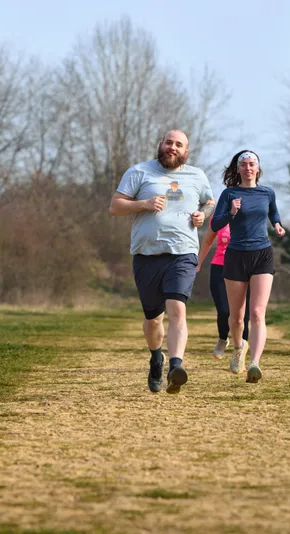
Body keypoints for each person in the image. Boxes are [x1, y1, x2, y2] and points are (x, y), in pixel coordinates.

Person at [109, 130, 215, 394]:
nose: (172, 147)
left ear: (186, 152)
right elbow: (115, 206)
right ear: (161, 145)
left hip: (183, 253)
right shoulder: (139, 172)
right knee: (154, 319)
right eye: (169, 142)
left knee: (177, 308)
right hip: (147, 256)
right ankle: (157, 358)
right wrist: (143, 204)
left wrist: (202, 215)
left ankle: (176, 366)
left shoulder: (197, 175)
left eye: (178, 144)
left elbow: (209, 202)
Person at [211, 150, 285, 383]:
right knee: (237, 317)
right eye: (244, 164)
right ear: (238, 169)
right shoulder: (229, 194)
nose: (248, 168)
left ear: (258, 168)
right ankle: (237, 348)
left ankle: (255, 362)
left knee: (257, 313)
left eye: (252, 164)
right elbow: (215, 224)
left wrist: (277, 224)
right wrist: (231, 212)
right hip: (236, 255)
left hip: (262, 254)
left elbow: (273, 212)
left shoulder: (267, 192)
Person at [196, 218, 250, 358]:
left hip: (244, 267)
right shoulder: (219, 217)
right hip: (220, 266)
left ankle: (241, 348)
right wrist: (198, 263)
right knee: (224, 310)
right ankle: (223, 338)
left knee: (243, 312)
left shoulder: (251, 214)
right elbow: (207, 241)